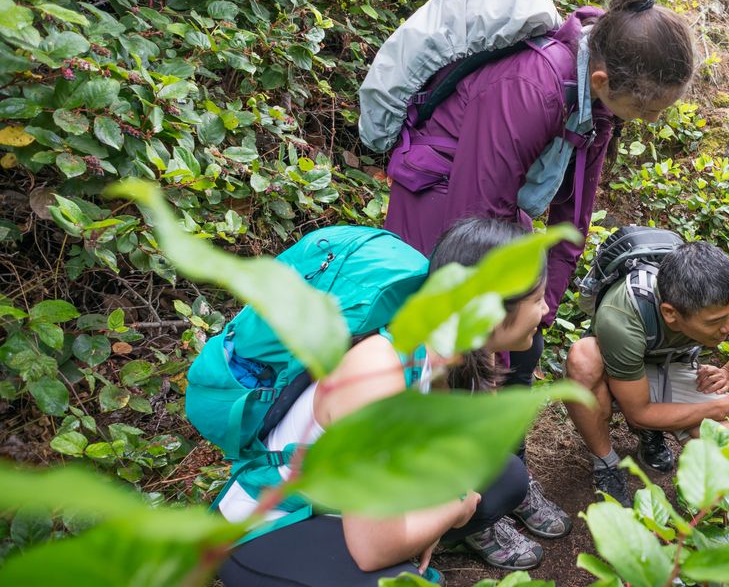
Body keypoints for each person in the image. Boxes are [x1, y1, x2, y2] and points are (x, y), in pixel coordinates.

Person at [381, 0, 696, 512]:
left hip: (499, 211)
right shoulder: (532, 86)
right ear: (604, 81)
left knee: (523, 349)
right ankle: (462, 507)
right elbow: (474, 219)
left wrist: (541, 306)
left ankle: (506, 476)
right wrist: (498, 326)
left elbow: (574, 214)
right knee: (458, 358)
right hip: (440, 204)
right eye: (650, 109)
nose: (652, 119)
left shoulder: (596, 98)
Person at [218, 219, 555, 586]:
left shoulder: (447, 351)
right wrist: (453, 511)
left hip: (341, 506)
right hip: (273, 524)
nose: (545, 310)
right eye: (537, 299)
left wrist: (433, 519)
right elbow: (373, 551)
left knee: (502, 476)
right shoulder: (379, 373)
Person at [563, 241, 729, 506]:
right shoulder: (621, 316)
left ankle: (655, 436)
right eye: (716, 321)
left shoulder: (725, 292)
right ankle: (606, 464)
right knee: (583, 358)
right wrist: (726, 406)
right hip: (618, 370)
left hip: (673, 363)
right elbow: (639, 412)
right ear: (670, 313)